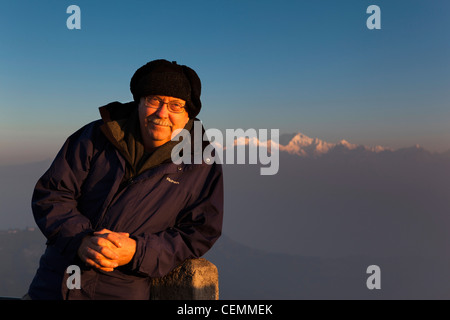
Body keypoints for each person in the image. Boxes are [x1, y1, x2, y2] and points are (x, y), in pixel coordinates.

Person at [27, 59, 224, 300]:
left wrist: (138, 252)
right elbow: (52, 194)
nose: (163, 113)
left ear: (188, 116)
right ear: (139, 102)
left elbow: (199, 232)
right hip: (55, 286)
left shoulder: (200, 164)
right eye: (154, 100)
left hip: (120, 291)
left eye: (175, 105)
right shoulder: (96, 137)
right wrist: (81, 240)